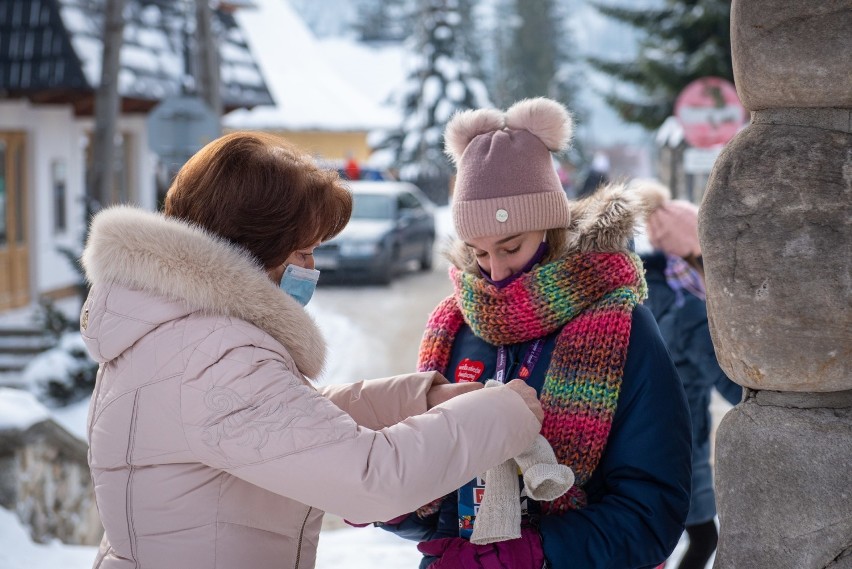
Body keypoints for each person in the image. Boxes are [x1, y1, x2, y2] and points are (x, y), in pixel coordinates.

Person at [78, 131, 545, 569]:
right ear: (255, 248)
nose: (313, 267)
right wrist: (500, 413)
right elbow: (371, 480)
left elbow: (279, 422)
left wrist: (415, 401)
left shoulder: (174, 328)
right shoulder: (216, 357)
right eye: (303, 253)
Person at [378, 98, 692, 568]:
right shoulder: (454, 321)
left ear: (550, 228)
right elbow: (431, 483)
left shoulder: (622, 325)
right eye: (479, 253)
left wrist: (537, 552)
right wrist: (389, 501)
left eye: (511, 246)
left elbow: (653, 509)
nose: (496, 271)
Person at [635, 180, 742, 569]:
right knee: (703, 537)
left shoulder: (648, 291)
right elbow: (726, 382)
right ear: (690, 249)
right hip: (686, 436)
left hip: (649, 434)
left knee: (661, 538)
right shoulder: (689, 306)